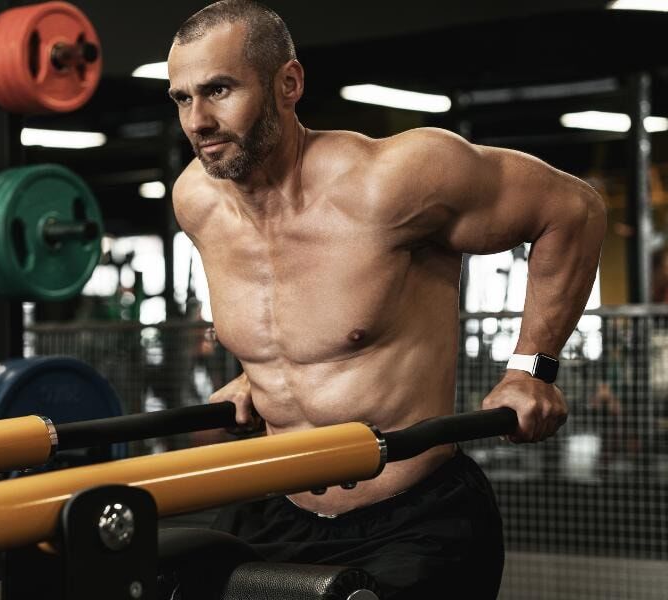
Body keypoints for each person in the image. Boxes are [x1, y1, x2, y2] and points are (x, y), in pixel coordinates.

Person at [166, 1, 607, 597]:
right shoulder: (197, 199)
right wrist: (256, 371)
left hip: (414, 518)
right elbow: (289, 312)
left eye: (218, 90)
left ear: (288, 84)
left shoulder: (394, 180)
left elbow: (573, 210)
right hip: (280, 509)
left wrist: (532, 368)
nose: (198, 120)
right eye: (182, 98)